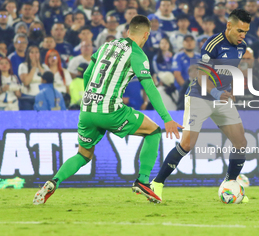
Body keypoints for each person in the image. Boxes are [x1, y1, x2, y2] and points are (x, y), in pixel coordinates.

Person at [33, 15, 183, 205]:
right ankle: (143, 181)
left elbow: (87, 73)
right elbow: (150, 88)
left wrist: (91, 99)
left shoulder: (106, 46)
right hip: (110, 110)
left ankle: (53, 181)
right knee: (153, 131)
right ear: (146, 34)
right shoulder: (137, 54)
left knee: (83, 154)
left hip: (86, 109)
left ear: (128, 31)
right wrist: (167, 118)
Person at [151, 9, 251, 203]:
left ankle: (230, 184)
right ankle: (157, 183)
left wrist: (232, 90)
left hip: (222, 99)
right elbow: (201, 75)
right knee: (187, 144)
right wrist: (216, 93)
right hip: (200, 97)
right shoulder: (213, 44)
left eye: (245, 31)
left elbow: (232, 69)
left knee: (240, 143)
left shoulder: (242, 46)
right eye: (239, 30)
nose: (242, 35)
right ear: (228, 25)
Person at [19, 45, 49, 110]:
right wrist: (34, 67)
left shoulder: (45, 67)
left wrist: (40, 67)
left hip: (42, 97)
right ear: (28, 54)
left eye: (36, 52)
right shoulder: (23, 66)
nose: (34, 55)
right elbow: (26, 82)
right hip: (27, 97)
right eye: (32, 52)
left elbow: (48, 81)